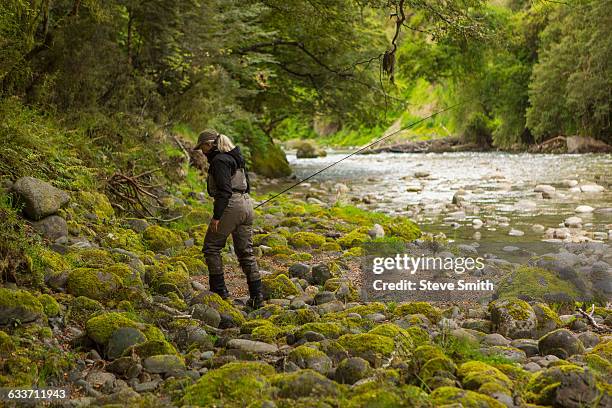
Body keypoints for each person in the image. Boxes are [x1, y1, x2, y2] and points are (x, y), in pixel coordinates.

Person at [195, 129, 263, 309]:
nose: (202, 151)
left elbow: (224, 191)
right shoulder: (236, 157)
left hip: (231, 205)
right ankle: (257, 297)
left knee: (211, 248)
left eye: (202, 147)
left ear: (210, 144)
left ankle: (220, 293)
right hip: (247, 204)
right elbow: (246, 185)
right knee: (246, 253)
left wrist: (217, 217)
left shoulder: (219, 161)